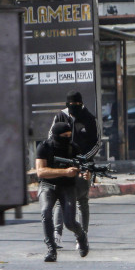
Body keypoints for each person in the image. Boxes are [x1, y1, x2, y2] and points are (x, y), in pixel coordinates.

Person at [49, 91, 100, 248]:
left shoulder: (90, 119)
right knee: (60, 200)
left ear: (82, 104)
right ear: (67, 105)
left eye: (78, 105)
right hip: (63, 166)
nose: (75, 109)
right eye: (72, 106)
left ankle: (82, 236)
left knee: (82, 201)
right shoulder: (60, 117)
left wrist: (83, 159)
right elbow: (51, 137)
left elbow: (97, 143)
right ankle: (57, 235)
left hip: (83, 167)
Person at [36, 122, 91, 262]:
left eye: (69, 135)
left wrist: (85, 174)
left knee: (70, 222)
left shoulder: (73, 148)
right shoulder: (44, 147)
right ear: (55, 136)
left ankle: (81, 236)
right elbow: (41, 172)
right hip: (48, 185)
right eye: (64, 136)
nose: (67, 138)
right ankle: (51, 249)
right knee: (46, 212)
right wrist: (65, 172)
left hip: (67, 187)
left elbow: (81, 168)